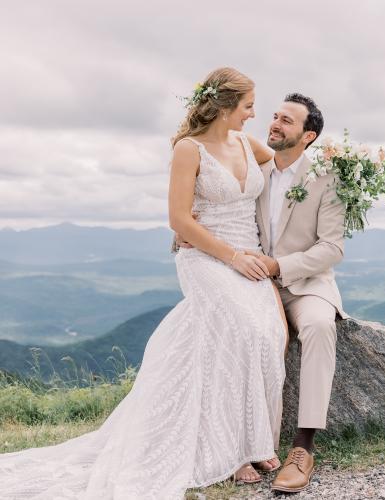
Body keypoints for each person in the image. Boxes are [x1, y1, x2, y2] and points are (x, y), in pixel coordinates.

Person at [0, 67, 287, 499]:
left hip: (249, 254)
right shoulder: (189, 150)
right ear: (225, 106)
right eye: (248, 106)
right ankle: (233, 451)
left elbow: (285, 165)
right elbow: (178, 219)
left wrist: (328, 158)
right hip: (207, 257)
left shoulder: (247, 144)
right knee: (241, 330)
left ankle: (257, 438)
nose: (252, 114)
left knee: (269, 334)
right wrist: (228, 254)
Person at [178, 92, 347, 493]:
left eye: (286, 121)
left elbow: (332, 248)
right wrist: (184, 229)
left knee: (321, 327)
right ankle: (242, 443)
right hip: (250, 281)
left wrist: (279, 267)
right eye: (274, 116)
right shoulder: (257, 168)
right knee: (238, 333)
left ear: (307, 137)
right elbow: (217, 203)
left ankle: (303, 447)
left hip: (304, 284)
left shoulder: (326, 179)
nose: (273, 123)